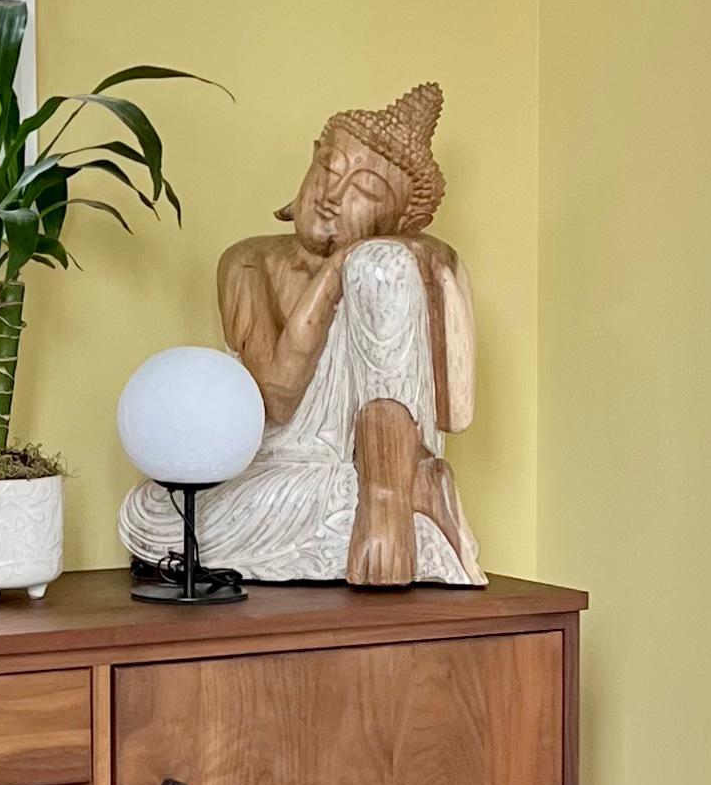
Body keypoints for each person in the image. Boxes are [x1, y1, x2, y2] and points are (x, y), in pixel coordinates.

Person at [120, 81, 482, 587]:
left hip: (372, 475)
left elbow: (456, 412)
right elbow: (274, 399)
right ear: (312, 160)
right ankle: (409, 500)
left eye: (365, 191)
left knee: (383, 268)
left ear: (400, 219)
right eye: (330, 169)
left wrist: (435, 272)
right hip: (288, 476)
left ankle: (389, 502)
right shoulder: (248, 261)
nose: (334, 196)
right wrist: (335, 274)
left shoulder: (397, 261)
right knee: (148, 515)